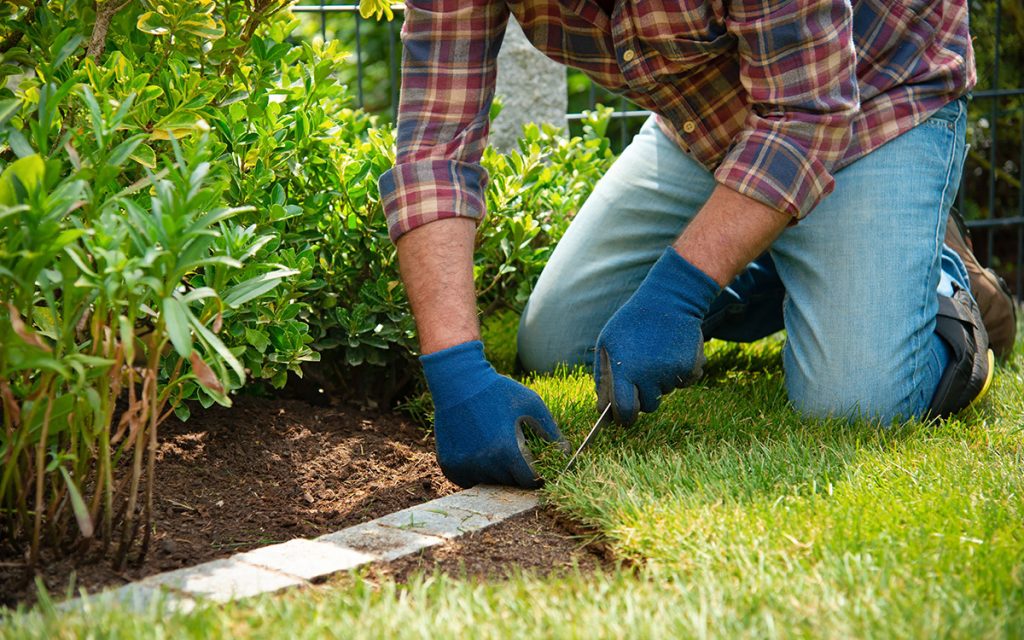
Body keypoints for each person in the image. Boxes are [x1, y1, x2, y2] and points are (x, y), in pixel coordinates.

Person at [378, 0, 1017, 490]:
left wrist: (678, 293)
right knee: (558, 344)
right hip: (708, 117)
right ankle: (795, 251)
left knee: (855, 402)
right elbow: (433, 148)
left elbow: (808, 114)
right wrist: (453, 371)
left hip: (875, 97)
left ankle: (939, 283)